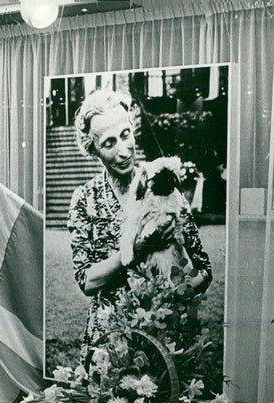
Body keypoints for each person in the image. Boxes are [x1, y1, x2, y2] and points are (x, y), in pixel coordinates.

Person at [67, 89, 212, 356]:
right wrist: (141, 246)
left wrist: (177, 296)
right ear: (93, 150)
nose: (123, 151)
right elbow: (86, 280)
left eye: (125, 135)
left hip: (165, 337)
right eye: (109, 143)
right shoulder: (85, 199)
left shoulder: (163, 183)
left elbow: (203, 268)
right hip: (110, 343)